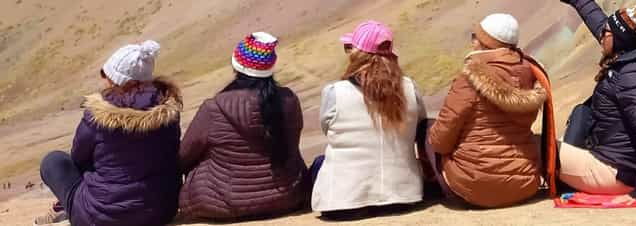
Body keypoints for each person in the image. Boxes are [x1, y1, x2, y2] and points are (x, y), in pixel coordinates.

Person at [549, 0, 636, 204]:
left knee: (536, 146)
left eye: (606, 32)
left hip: (613, 173)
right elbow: (600, 22)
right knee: (576, 119)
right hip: (609, 160)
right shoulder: (628, 54)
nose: (601, 34)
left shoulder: (635, 76)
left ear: (618, 39)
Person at [34, 41, 182, 226]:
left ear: (117, 81)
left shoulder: (98, 116)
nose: (104, 79)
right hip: (160, 211)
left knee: (53, 161)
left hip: (103, 217)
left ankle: (64, 209)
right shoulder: (168, 112)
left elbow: (78, 159)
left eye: (106, 74)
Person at [427, 13, 556, 208]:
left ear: (486, 43)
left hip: (476, 187)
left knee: (428, 130)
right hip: (524, 184)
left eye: (475, 37)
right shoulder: (531, 73)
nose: (472, 42)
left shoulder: (469, 79)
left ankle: (440, 192)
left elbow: (440, 141)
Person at [178, 32, 307, 220]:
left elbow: (184, 156)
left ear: (236, 66)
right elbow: (292, 145)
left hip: (223, 204)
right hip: (288, 198)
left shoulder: (213, 108)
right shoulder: (289, 100)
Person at [311, 20, 426, 219]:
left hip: (342, 202)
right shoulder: (410, 88)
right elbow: (420, 126)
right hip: (403, 196)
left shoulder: (334, 92)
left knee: (318, 163)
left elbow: (327, 128)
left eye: (349, 47)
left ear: (356, 53)